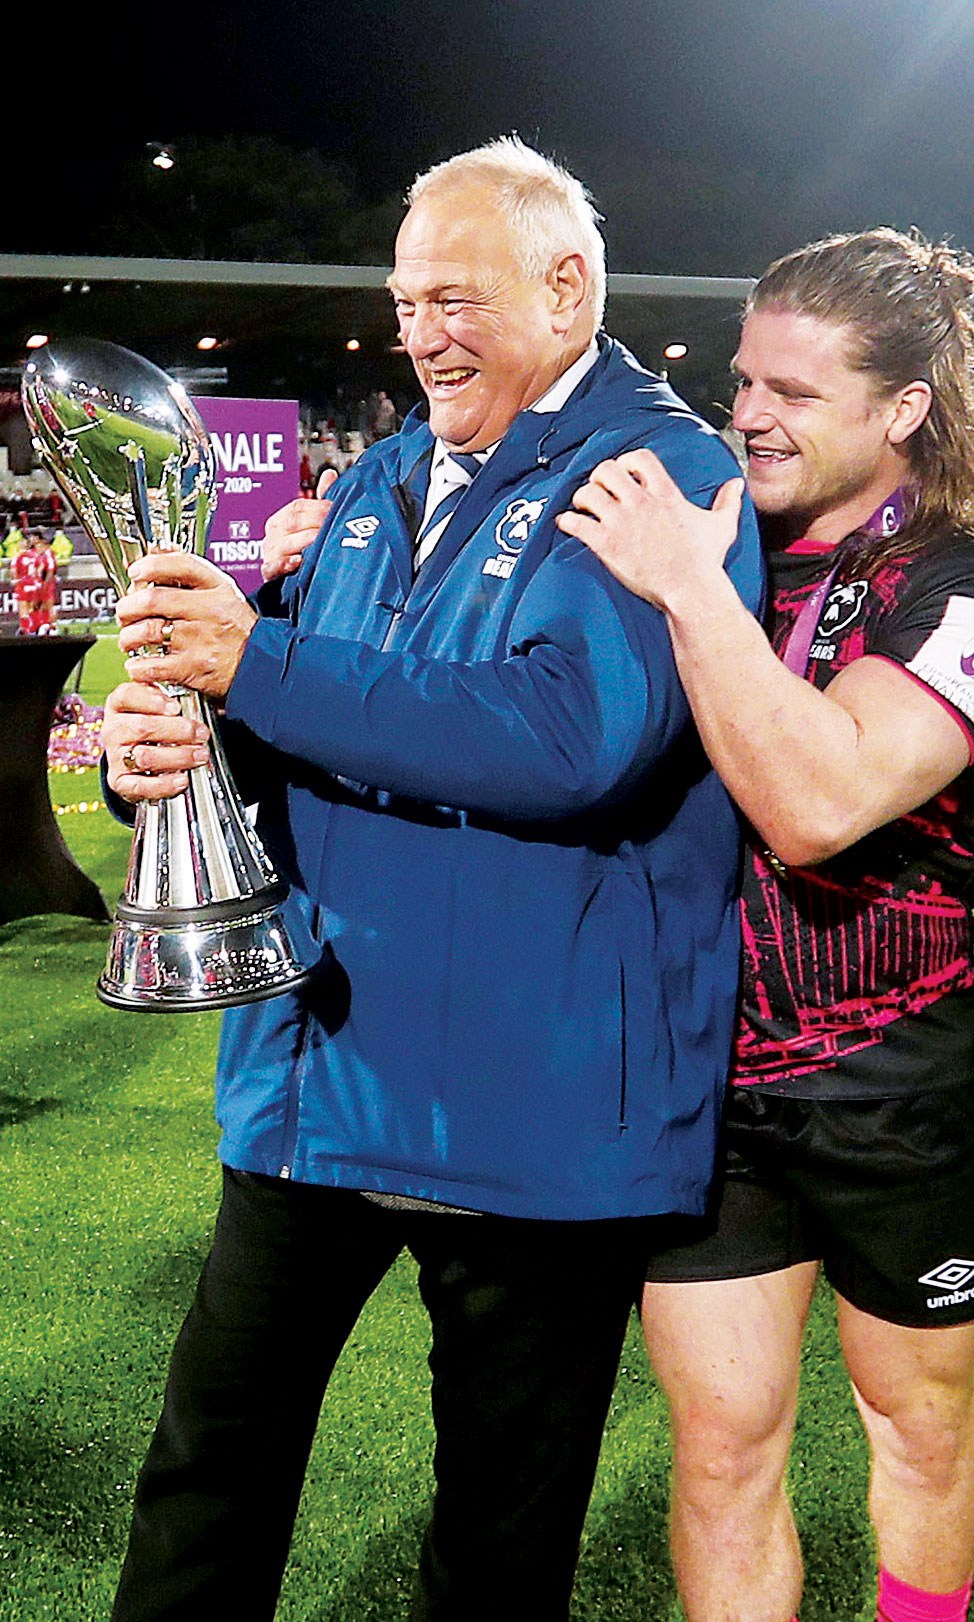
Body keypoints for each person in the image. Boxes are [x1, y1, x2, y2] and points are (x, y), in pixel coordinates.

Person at [100, 135, 762, 1620]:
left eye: (454, 297)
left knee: (493, 1553)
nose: (420, 334)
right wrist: (172, 749)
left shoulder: (660, 473)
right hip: (316, 1070)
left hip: (529, 1112)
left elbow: (571, 735)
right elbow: (290, 715)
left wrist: (258, 664)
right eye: (404, 302)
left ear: (566, 286)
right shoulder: (384, 475)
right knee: (203, 1487)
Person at [558, 227, 974, 1622]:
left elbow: (818, 801)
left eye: (793, 391)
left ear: (902, 407)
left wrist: (685, 587)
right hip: (706, 1078)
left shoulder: (955, 575)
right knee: (721, 1443)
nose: (748, 412)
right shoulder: (713, 534)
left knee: (918, 1428)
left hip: (905, 1087)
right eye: (742, 380)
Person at [11, 529, 57, 634]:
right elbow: (40, 569)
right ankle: (45, 626)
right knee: (37, 608)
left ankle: (29, 630)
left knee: (25, 609)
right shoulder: (35, 555)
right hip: (36, 584)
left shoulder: (18, 557)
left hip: (24, 585)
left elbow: (13, 571)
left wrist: (16, 580)